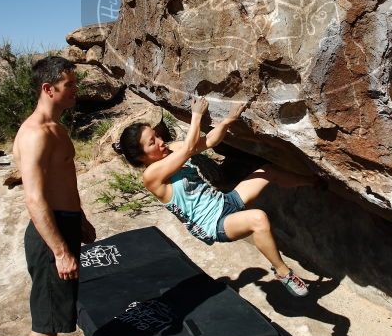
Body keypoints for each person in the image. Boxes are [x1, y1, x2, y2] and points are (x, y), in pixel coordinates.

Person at [114, 95, 317, 297]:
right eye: (152, 142)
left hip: (224, 201)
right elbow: (189, 148)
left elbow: (209, 141)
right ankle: (284, 274)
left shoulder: (172, 150)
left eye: (157, 135)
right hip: (213, 224)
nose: (160, 141)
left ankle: (315, 182)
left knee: (269, 171)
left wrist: (228, 120)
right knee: (258, 219)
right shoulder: (151, 177)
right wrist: (196, 115)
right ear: (141, 156)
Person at [13, 56, 96, 336]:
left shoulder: (56, 127)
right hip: (51, 235)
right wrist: (60, 251)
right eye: (70, 86)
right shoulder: (35, 134)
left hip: (65, 223)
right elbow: (34, 198)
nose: (76, 90)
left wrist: (81, 220)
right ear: (49, 89)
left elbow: (63, 183)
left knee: (53, 314)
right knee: (44, 323)